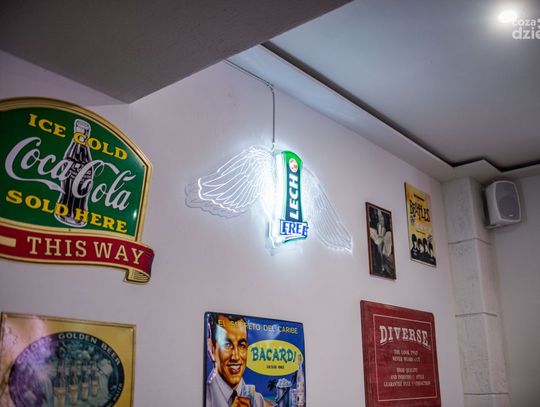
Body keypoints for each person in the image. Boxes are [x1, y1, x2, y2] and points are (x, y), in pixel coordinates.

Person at [205, 314, 265, 407]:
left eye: (242, 345)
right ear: (212, 349)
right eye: (227, 345)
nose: (236, 357)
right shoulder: (202, 395)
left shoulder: (258, 400)